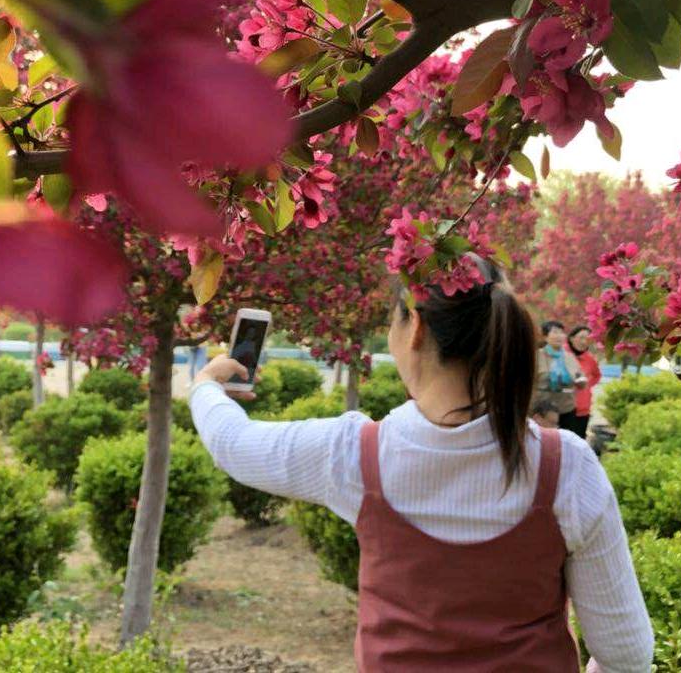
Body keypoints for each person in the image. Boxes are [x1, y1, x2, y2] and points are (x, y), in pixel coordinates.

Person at [190, 258, 653, 672]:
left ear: (414, 329)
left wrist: (207, 386)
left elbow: (235, 443)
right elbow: (627, 656)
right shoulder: (566, 467)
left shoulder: (353, 454)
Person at [535, 320, 587, 433]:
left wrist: (580, 379)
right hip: (541, 410)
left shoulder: (569, 357)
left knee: (565, 443)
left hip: (567, 409)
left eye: (561, 332)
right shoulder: (537, 356)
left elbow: (581, 379)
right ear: (545, 336)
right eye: (555, 332)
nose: (559, 336)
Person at [567, 324, 602, 440]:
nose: (584, 341)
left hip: (582, 408)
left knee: (579, 440)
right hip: (563, 407)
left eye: (587, 338)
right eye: (581, 337)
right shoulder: (561, 354)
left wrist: (587, 386)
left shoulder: (589, 359)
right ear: (571, 338)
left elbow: (597, 375)